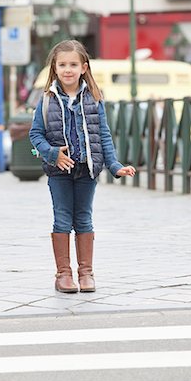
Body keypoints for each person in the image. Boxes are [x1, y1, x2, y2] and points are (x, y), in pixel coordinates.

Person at [29, 40, 136, 294]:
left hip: (88, 170)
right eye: (62, 64)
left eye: (73, 64)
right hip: (59, 172)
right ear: (54, 68)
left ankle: (86, 273)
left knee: (84, 218)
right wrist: (53, 154)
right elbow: (36, 135)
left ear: (83, 67)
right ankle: (63, 274)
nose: (68, 69)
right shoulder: (46, 99)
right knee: (62, 218)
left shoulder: (95, 99)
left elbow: (104, 136)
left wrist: (114, 165)